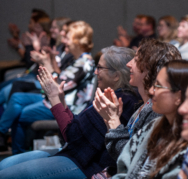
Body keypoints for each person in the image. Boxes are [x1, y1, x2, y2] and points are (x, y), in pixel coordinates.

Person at [0, 46, 140, 178]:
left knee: (4, 175)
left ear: (116, 75)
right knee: (4, 165)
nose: (95, 72)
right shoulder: (114, 95)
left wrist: (54, 97)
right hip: (72, 153)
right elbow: (76, 127)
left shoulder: (120, 100)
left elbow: (71, 135)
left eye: (100, 68)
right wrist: (61, 100)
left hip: (84, 164)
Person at [0, 21, 95, 154]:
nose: (64, 41)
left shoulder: (84, 63)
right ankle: (10, 143)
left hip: (66, 107)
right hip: (54, 100)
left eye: (67, 38)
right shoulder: (76, 59)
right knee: (16, 100)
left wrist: (45, 63)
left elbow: (58, 86)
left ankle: (16, 151)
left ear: (77, 41)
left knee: (19, 114)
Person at [107, 60, 188, 179]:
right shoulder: (154, 125)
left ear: (178, 96)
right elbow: (124, 167)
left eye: (158, 86)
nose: (152, 91)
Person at [94, 39, 182, 164]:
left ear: (149, 68)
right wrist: (111, 121)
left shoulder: (156, 110)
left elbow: (132, 159)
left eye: (135, 60)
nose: (129, 64)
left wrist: (114, 120)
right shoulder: (143, 105)